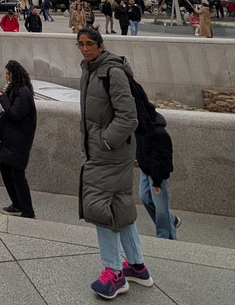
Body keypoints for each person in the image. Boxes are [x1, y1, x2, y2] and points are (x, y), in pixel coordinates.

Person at [77, 27, 152, 297]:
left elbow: (128, 117)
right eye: (80, 44)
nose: (85, 49)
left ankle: (114, 273)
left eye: (89, 44)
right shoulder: (90, 70)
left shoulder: (112, 72)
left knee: (100, 207)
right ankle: (137, 266)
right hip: (108, 151)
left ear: (101, 45)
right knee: (119, 205)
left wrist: (104, 142)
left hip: (110, 153)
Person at [0, 59, 36, 219]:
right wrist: (1, 96)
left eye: (7, 73)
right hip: (11, 138)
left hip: (19, 140)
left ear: (13, 74)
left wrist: (1, 99)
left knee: (18, 175)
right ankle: (17, 204)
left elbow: (15, 114)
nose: (6, 76)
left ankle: (28, 211)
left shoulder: (24, 92)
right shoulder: (15, 88)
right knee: (5, 168)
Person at [137, 106, 179, 240]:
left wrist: (157, 182)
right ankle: (171, 219)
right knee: (145, 197)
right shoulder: (141, 130)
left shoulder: (160, 134)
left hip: (158, 176)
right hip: (146, 170)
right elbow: (142, 149)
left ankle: (165, 238)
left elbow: (162, 160)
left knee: (161, 208)